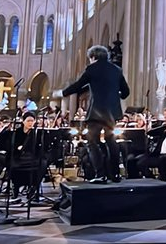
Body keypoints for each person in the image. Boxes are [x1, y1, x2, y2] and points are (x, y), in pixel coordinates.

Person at [53, 44, 130, 184]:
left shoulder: (92, 69)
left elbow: (78, 85)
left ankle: (100, 174)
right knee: (111, 140)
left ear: (93, 57)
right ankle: (115, 174)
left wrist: (62, 93)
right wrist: (116, 94)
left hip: (96, 112)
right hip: (112, 112)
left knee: (92, 140)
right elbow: (126, 92)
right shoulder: (117, 70)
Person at [136, 107, 166, 182]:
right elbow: (150, 132)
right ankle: (152, 179)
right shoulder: (164, 127)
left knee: (164, 159)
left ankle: (163, 179)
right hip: (159, 154)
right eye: (165, 117)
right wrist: (146, 123)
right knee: (141, 162)